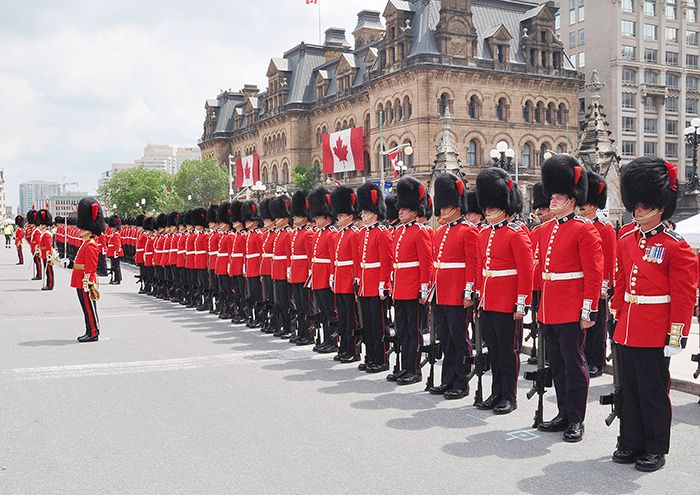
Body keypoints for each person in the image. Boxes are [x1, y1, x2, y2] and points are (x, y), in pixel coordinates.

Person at [610, 157, 697, 472]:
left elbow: (684, 298)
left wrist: (676, 337)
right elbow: (621, 283)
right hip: (628, 328)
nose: (638, 209)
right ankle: (630, 442)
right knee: (629, 391)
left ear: (661, 205)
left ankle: (655, 448)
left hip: (655, 331)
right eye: (636, 203)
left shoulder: (677, 247)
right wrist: (617, 315)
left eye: (645, 203)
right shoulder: (626, 239)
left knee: (653, 393)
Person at [535, 154, 603, 442]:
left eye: (559, 196)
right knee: (558, 365)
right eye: (552, 195)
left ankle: (576, 419)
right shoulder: (544, 230)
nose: (552, 200)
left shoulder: (584, 229)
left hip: (572, 308)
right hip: (549, 307)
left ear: (572, 199)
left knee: (574, 365)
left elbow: (594, 273)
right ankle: (563, 413)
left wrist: (589, 310)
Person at [474, 168, 534, 413]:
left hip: (508, 301)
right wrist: (479, 297)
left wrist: (522, 303)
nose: (488, 212)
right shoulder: (484, 233)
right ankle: (495, 392)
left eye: (493, 208)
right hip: (488, 300)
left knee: (508, 352)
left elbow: (526, 270)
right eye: (486, 208)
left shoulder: (516, 233)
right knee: (494, 350)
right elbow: (481, 268)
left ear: (505, 207)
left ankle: (509, 396)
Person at [429, 172, 478, 400]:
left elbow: (472, 264)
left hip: (458, 293)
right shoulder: (440, 232)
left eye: (446, 207)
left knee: (460, 339)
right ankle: (447, 378)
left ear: (456, 207)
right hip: (441, 293)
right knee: (445, 338)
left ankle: (462, 380)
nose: (442, 211)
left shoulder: (468, 230)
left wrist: (468, 291)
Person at [390, 176, 434, 385]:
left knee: (413, 331)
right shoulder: (398, 231)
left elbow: (426, 263)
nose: (400, 211)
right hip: (399, 287)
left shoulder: (421, 232)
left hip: (413, 289)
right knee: (402, 330)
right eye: (401, 208)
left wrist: (424, 289)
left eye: (405, 209)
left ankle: (413, 369)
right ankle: (403, 366)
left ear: (415, 211)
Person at [579, 173, 617, 378]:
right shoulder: (578, 227)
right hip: (580, 283)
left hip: (597, 284)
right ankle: (584, 357)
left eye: (585, 206)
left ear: (594, 205)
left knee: (597, 326)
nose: (581, 209)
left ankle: (597, 361)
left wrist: (605, 285)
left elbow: (609, 259)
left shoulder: (605, 228)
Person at [356, 182, 393, 373]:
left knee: (379, 325)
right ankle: (370, 356)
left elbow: (386, 262)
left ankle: (382, 358)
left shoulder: (383, 234)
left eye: (366, 212)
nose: (362, 215)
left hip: (376, 285)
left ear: (375, 213)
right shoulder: (363, 234)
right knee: (368, 325)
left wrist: (383, 285)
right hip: (364, 284)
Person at [330, 186, 361, 363]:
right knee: (342, 316)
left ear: (350, 216)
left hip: (349, 279)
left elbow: (356, 260)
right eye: (338, 215)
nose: (339, 218)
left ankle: (353, 349)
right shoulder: (339, 235)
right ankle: (344, 347)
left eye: (342, 216)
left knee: (351, 318)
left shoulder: (353, 234)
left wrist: (356, 279)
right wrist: (333, 276)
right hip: (340, 279)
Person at [308, 187, 339, 353]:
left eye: (318, 216)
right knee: (323, 311)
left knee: (330, 311)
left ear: (327, 217)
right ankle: (326, 339)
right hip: (318, 276)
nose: (315, 219)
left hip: (326, 276)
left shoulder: (331, 234)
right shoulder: (318, 233)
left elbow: (333, 258)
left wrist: (332, 276)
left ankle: (333, 340)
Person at [72, 197, 105, 342]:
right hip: (81, 279)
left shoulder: (91, 244)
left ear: (89, 229)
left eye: (83, 228)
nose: (80, 230)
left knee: (89, 308)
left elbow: (91, 267)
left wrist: (89, 282)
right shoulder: (86, 243)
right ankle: (89, 329)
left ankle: (93, 332)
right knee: (86, 308)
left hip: (86, 280)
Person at [288, 190, 314, 345]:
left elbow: (310, 256)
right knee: (299, 305)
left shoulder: (308, 234)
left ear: (305, 218)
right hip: (296, 273)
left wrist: (310, 273)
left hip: (304, 273)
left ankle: (309, 334)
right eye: (295, 216)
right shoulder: (295, 233)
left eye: (297, 216)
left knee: (306, 306)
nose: (295, 218)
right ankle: (301, 331)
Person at [38, 209, 54, 291]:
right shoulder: (44, 233)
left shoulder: (46, 234)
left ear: (45, 225)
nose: (40, 227)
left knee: (49, 270)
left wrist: (49, 255)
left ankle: (50, 284)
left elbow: (48, 246)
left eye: (42, 225)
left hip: (47, 254)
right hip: (44, 254)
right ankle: (48, 283)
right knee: (47, 270)